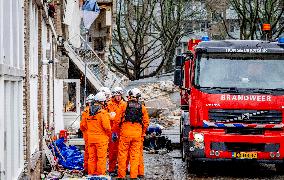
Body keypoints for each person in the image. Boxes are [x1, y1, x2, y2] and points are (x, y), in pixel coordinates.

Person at [115, 88, 150, 179]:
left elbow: (117, 120)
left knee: (122, 155)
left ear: (129, 96)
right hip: (137, 135)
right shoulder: (142, 107)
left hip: (125, 133)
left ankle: (121, 176)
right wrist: (142, 133)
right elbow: (146, 123)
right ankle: (133, 176)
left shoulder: (123, 105)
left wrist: (119, 130)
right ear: (138, 97)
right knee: (135, 156)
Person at [86, 92, 112, 175]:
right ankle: (100, 175)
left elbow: (83, 125)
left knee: (92, 158)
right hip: (101, 140)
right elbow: (107, 127)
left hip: (91, 138)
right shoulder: (102, 113)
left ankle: (91, 174)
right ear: (102, 102)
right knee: (101, 158)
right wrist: (109, 135)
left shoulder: (88, 112)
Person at [107, 86, 126, 176]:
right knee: (112, 151)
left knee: (122, 151)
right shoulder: (109, 104)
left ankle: (122, 168)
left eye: (119, 95)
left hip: (122, 130)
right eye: (116, 95)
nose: (118, 97)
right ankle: (111, 169)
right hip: (112, 130)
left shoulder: (124, 104)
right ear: (113, 96)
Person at [80, 94, 95, 174]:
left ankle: (87, 169)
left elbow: (82, 125)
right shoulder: (93, 111)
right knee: (92, 154)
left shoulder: (86, 111)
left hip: (87, 134)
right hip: (91, 134)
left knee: (87, 153)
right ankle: (91, 170)